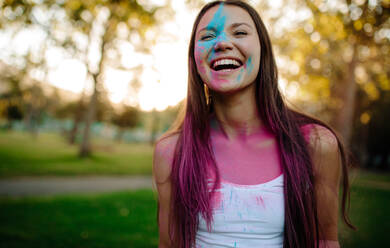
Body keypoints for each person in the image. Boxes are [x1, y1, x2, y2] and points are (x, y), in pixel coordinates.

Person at [153, 1, 355, 247]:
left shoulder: (315, 144)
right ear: (194, 59)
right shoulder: (172, 151)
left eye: (239, 32)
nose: (222, 43)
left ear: (263, 51)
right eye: (207, 36)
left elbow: (324, 242)